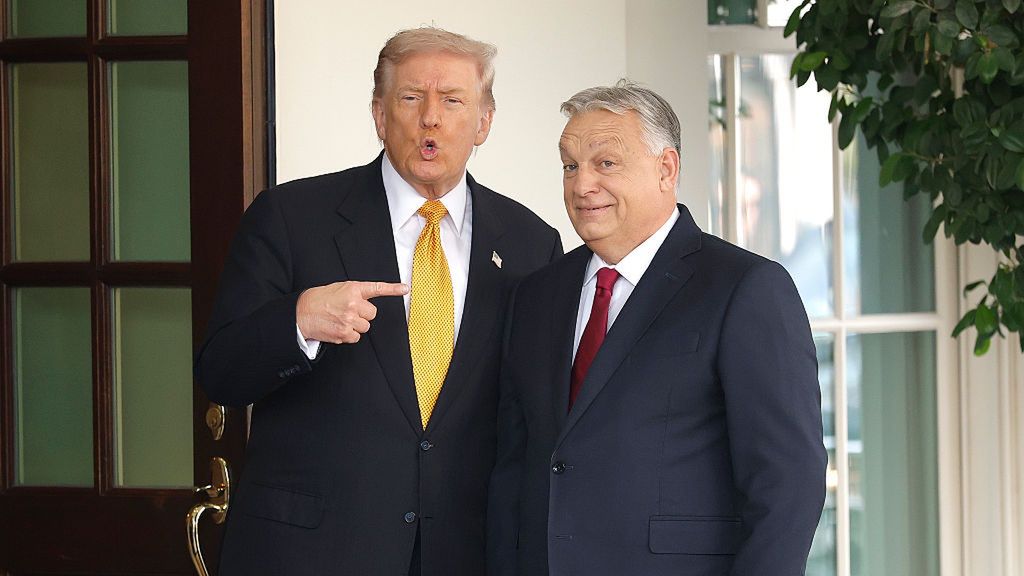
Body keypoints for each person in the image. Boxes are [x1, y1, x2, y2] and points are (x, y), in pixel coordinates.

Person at [195, 27, 561, 576]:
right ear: (379, 114)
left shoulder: (532, 243)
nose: (430, 118)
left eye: (453, 100)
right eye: (411, 98)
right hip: (314, 553)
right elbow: (221, 372)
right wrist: (297, 322)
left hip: (466, 553)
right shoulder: (291, 217)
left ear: (484, 122)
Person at [487, 81, 826, 576]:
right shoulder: (538, 294)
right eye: (570, 166)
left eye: (605, 163)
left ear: (666, 168)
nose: (582, 185)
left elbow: (788, 483)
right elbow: (513, 471)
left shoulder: (744, 288)